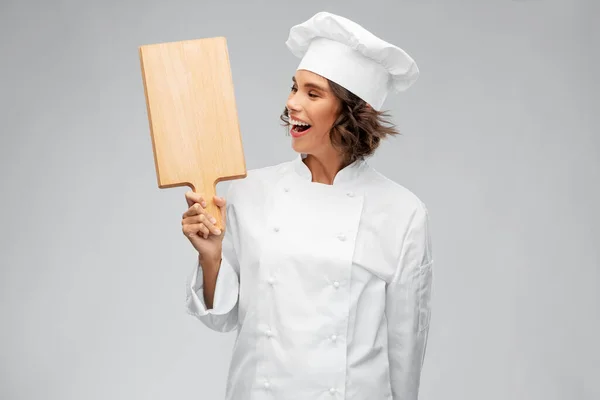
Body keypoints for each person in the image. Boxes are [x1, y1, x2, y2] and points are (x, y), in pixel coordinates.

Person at [181, 11, 434, 400]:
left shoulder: (402, 212)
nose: (292, 103)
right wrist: (212, 257)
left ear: (351, 112)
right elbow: (224, 318)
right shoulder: (251, 190)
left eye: (313, 93)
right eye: (294, 87)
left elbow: (405, 348)